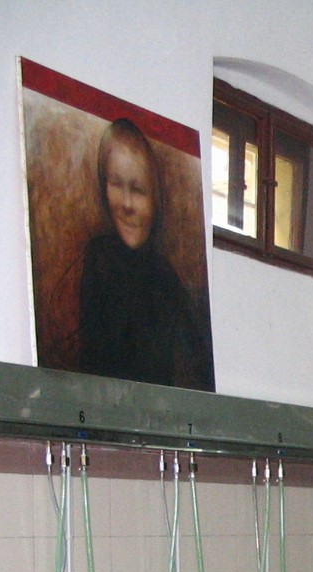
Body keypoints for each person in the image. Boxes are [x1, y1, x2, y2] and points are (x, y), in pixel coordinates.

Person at [78, 118, 214, 389]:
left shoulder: (164, 276)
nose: (127, 204)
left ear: (155, 199)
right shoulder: (99, 259)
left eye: (139, 190)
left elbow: (198, 363)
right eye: (116, 184)